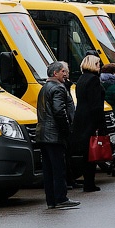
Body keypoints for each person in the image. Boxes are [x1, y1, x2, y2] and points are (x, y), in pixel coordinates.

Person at [35, 61, 79, 209]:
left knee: (48, 169)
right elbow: (59, 111)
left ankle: (51, 200)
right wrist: (66, 129)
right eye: (63, 72)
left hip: (43, 134)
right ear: (55, 73)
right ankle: (61, 198)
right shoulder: (58, 88)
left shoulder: (44, 88)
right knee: (59, 168)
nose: (66, 74)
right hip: (54, 134)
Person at [70, 53, 107, 192]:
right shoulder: (93, 80)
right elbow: (96, 105)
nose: (100, 67)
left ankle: (88, 181)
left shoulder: (81, 79)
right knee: (91, 153)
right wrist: (101, 125)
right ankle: (89, 183)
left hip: (81, 118)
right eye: (98, 64)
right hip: (90, 120)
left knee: (86, 151)